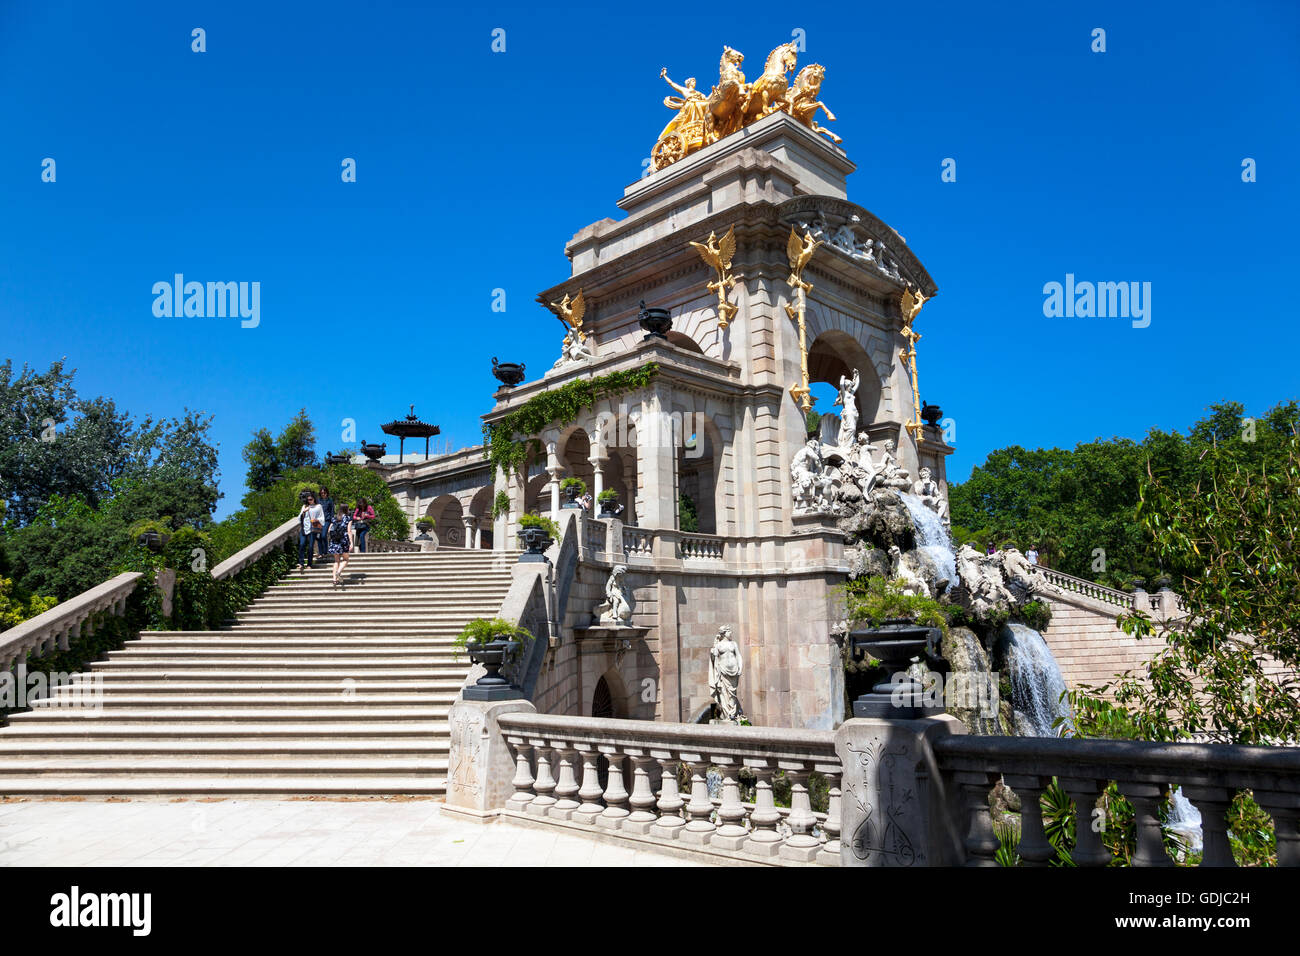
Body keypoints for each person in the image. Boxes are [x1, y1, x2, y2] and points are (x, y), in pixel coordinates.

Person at [325, 505, 351, 588]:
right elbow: (349, 531)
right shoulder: (348, 518)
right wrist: (352, 543)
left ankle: (334, 580)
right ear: (346, 509)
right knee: (346, 559)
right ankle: (339, 572)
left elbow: (329, 530)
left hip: (335, 541)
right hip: (344, 541)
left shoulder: (334, 518)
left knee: (336, 561)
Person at [298, 493, 324, 571]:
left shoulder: (318, 506)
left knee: (310, 547)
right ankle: (301, 563)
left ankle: (309, 564)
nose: (309, 501)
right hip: (304, 529)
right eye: (308, 499)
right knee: (302, 545)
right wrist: (304, 512)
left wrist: (317, 520)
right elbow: (299, 518)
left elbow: (322, 517)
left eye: (311, 499)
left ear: (314, 499)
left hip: (313, 529)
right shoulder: (304, 507)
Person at [316, 486, 335, 559]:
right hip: (319, 521)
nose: (323, 494)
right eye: (321, 493)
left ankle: (325, 551)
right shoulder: (318, 501)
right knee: (318, 537)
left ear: (327, 493)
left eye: (324, 493)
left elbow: (332, 511)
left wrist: (332, 522)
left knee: (323, 535)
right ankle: (321, 553)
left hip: (327, 520)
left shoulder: (330, 501)